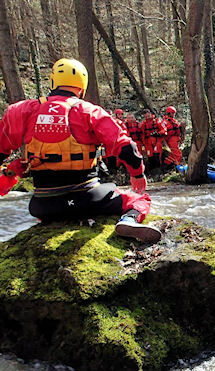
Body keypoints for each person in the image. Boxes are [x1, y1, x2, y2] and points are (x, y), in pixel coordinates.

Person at [0, 58, 161, 243]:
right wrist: (137, 174)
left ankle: (52, 222)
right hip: (87, 198)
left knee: (49, 207)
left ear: (53, 82)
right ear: (82, 87)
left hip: (42, 205)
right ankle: (128, 220)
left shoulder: (20, 110)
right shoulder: (89, 111)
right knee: (139, 200)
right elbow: (126, 147)